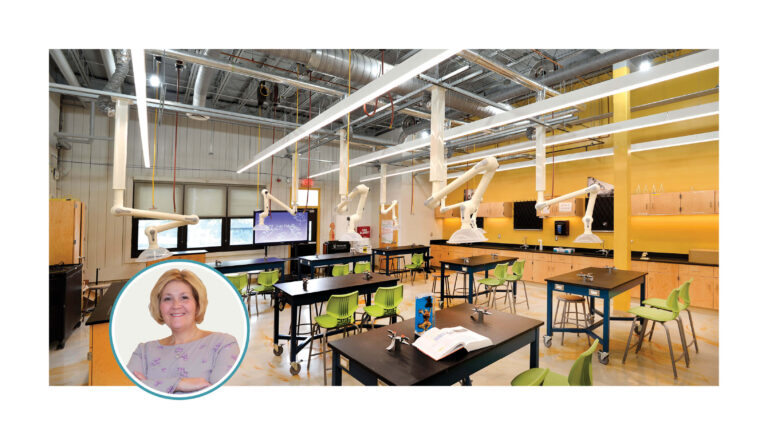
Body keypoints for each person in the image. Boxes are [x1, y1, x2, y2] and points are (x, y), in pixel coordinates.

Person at [127, 269, 240, 394]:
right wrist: (179, 384)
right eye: (167, 299)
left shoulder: (224, 344)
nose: (176, 305)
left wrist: (149, 385)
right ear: (159, 306)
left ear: (197, 304)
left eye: (184, 297)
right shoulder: (143, 352)